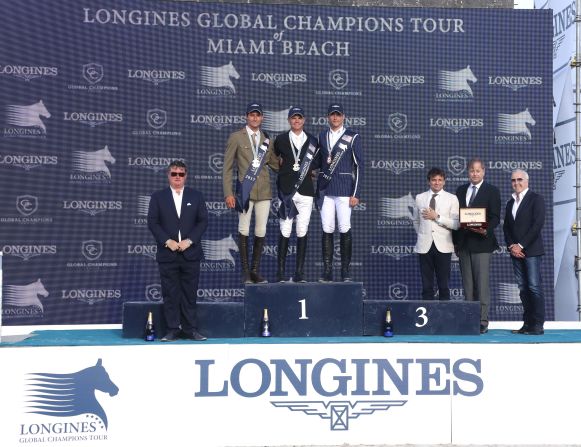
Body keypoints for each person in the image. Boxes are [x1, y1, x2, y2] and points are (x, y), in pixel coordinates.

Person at [147, 160, 209, 342]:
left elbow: (203, 221)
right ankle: (172, 329)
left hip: (191, 253)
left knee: (190, 293)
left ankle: (190, 329)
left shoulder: (196, 196)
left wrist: (189, 241)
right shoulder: (158, 197)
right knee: (170, 293)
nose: (177, 177)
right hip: (168, 254)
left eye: (181, 174)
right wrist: (168, 241)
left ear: (185, 176)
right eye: (174, 174)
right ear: (168, 176)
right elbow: (153, 222)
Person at [223, 102, 279, 284]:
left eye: (258, 115)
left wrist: (292, 166)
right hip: (244, 191)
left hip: (264, 191)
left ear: (262, 118)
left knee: (261, 229)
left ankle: (255, 271)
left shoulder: (266, 139)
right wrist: (228, 193)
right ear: (247, 116)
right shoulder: (236, 137)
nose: (255, 118)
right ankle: (246, 272)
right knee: (244, 229)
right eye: (252, 115)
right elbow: (228, 168)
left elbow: (273, 164)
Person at [316, 103, 363, 282]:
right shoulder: (322, 135)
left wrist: (356, 193)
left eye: (338, 115)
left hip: (344, 189)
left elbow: (359, 166)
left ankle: (345, 271)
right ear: (328, 117)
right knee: (326, 228)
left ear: (343, 116)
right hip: (325, 189)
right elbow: (318, 161)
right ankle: (328, 271)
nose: (335, 118)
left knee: (344, 228)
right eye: (332, 115)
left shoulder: (353, 136)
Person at [454, 158, 501, 334]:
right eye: (472, 171)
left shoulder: (492, 191)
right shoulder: (460, 190)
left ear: (484, 171)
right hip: (464, 244)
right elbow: (456, 217)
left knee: (481, 285)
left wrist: (485, 229)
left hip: (482, 244)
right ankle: (469, 319)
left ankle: (482, 321)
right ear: (468, 172)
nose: (475, 174)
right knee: (467, 285)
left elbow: (495, 217)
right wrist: (456, 243)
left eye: (478, 171)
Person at [274, 106, 319, 282]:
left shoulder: (313, 141)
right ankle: (280, 272)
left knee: (302, 230)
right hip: (287, 191)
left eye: (299, 118)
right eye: (293, 118)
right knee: (284, 229)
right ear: (289, 120)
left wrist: (310, 169)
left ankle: (299, 272)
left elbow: (318, 161)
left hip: (306, 191)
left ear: (304, 120)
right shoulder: (281, 139)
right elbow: (275, 158)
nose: (297, 121)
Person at [503, 169, 546, 335]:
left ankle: (537, 325)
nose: (516, 183)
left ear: (527, 181)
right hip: (516, 252)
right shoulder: (510, 202)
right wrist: (512, 246)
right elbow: (507, 227)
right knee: (523, 289)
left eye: (520, 179)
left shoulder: (536, 199)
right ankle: (527, 324)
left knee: (534, 287)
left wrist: (520, 245)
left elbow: (537, 225)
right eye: (513, 180)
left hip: (532, 251)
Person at [414, 167, 459, 300]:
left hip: (443, 245)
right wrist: (423, 234)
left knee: (443, 285)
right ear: (429, 181)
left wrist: (437, 217)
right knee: (426, 285)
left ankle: (444, 317)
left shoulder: (452, 198)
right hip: (424, 245)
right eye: (434, 180)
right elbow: (416, 221)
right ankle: (428, 316)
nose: (437, 183)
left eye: (440, 180)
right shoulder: (420, 198)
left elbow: (456, 224)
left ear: (444, 182)